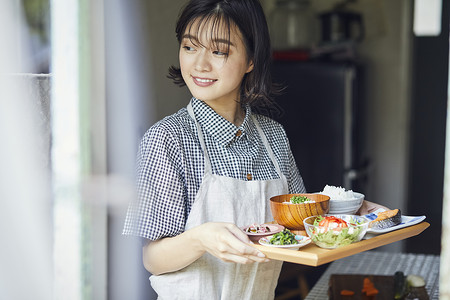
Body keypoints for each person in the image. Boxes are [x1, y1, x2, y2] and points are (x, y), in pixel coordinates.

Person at [123, 0, 385, 299]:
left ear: (251, 60)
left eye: (219, 51)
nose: (200, 64)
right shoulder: (167, 139)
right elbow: (151, 259)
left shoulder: (273, 136)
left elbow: (299, 224)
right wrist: (200, 240)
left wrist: (349, 211)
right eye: (190, 47)